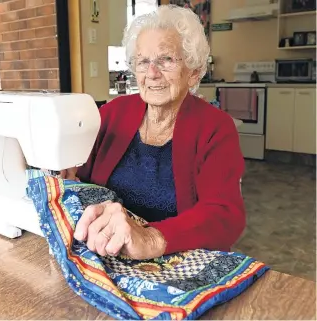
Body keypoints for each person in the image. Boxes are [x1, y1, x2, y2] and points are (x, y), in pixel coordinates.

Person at [61, 5, 245, 260]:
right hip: (108, 254)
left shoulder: (215, 128)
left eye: (166, 60)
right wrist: (67, 171)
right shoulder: (112, 114)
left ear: (192, 72)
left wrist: (151, 238)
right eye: (143, 61)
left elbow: (224, 215)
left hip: (178, 262)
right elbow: (80, 177)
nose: (152, 73)